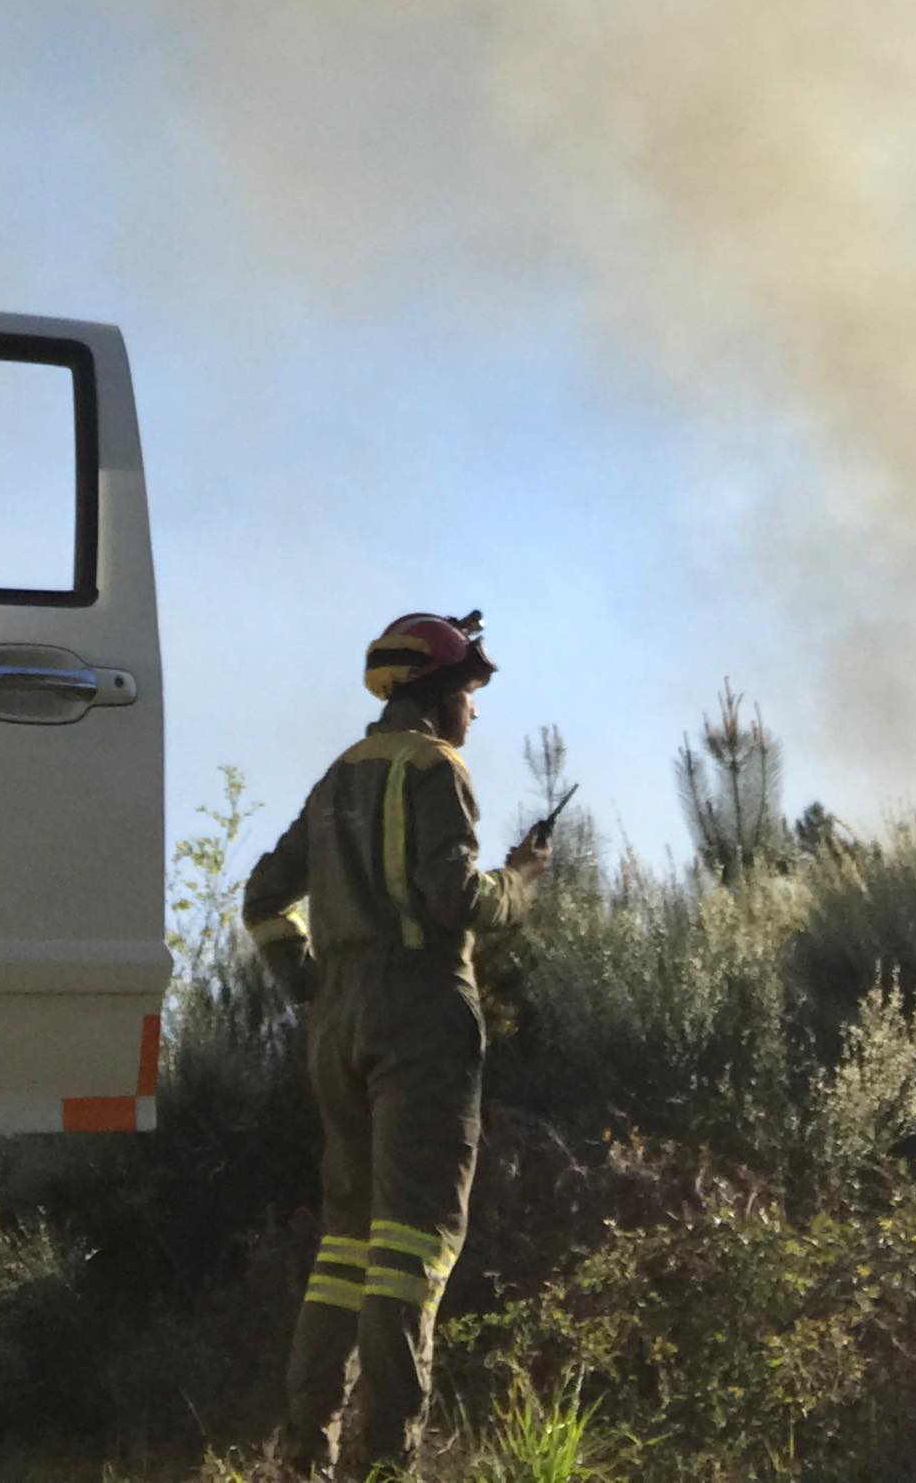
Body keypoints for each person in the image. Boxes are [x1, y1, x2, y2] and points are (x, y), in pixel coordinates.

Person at [243, 609, 552, 1479]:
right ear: (436, 691)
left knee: (345, 1247)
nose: (475, 714)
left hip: (337, 1028)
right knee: (413, 1249)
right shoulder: (437, 770)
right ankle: (383, 1466)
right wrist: (518, 882)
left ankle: (304, 1454)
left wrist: (311, 984)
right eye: (469, 693)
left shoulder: (340, 774)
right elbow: (455, 899)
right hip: (420, 1020)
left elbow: (264, 900)